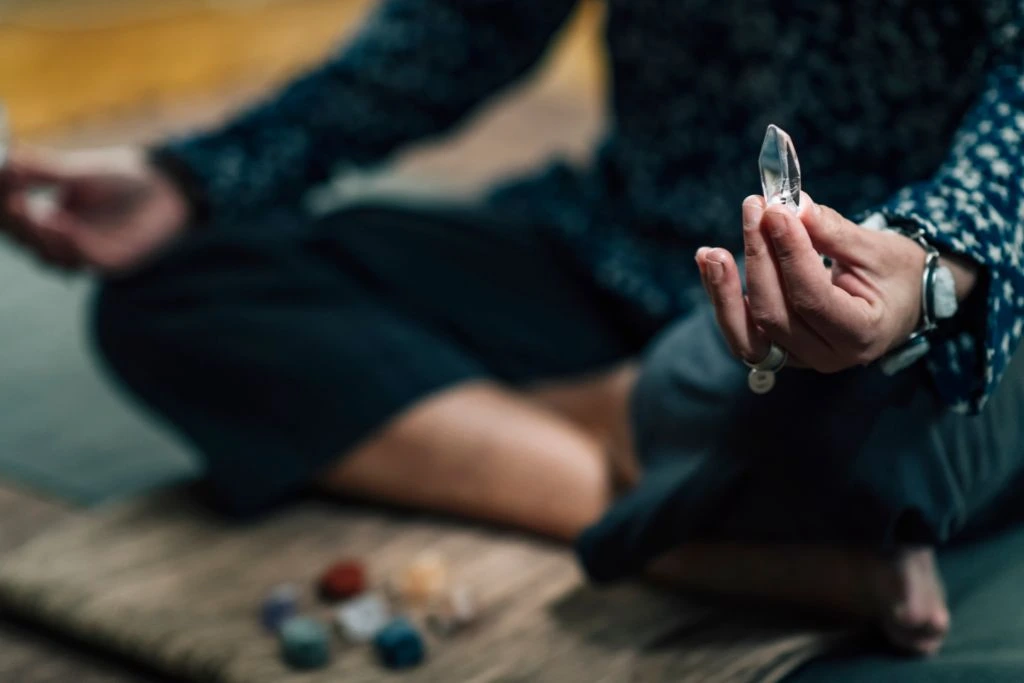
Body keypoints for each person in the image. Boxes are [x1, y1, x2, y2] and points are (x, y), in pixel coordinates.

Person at [2, 0, 1023, 657]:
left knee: (882, 433)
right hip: (619, 247)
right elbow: (466, 24)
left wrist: (933, 271)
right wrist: (196, 176)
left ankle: (643, 440)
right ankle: (697, 530)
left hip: (896, 305)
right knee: (182, 294)